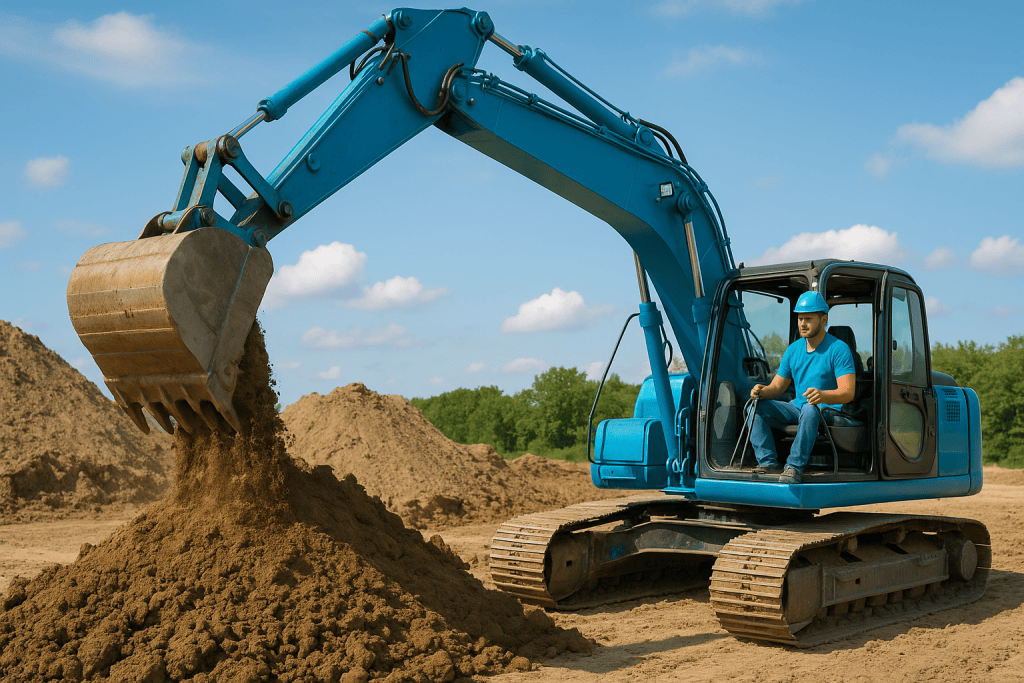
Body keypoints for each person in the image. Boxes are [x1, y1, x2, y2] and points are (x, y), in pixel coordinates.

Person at [748, 291, 856, 484]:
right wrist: (762, 391)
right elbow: (778, 387)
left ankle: (794, 467)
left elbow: (847, 392)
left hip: (827, 410)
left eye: (808, 319)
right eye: (800, 318)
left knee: (809, 408)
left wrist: (822, 395)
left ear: (824, 319)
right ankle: (768, 462)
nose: (802, 324)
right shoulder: (793, 350)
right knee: (754, 406)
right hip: (798, 407)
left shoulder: (839, 349)